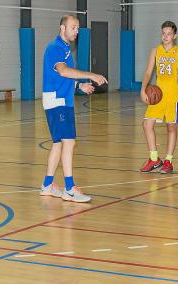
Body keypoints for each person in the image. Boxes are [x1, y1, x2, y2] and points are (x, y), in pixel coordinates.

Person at [40, 15, 107, 203]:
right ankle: (70, 189)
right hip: (58, 101)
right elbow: (63, 71)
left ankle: (47, 185)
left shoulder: (65, 48)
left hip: (59, 99)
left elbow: (62, 77)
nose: (76, 31)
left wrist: (79, 86)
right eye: (73, 27)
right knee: (69, 142)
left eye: (78, 28)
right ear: (62, 28)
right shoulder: (55, 48)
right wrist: (91, 75)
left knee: (58, 143)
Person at [139, 21, 178, 174]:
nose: (165, 36)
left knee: (171, 128)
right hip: (158, 95)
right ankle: (154, 159)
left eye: (169, 34)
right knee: (146, 124)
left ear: (175, 36)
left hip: (174, 96)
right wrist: (143, 89)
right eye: (163, 33)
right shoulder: (156, 51)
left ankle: (168, 161)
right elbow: (148, 72)